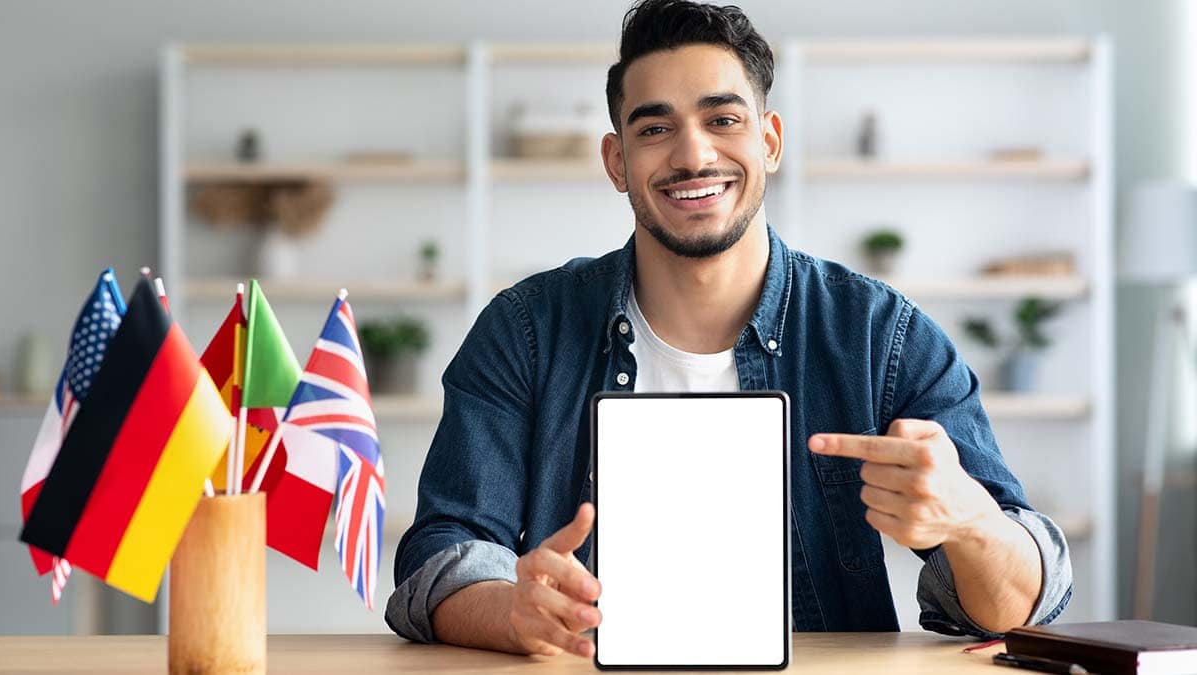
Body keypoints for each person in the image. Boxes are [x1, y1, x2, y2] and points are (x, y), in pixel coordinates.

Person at [385, 0, 1072, 657]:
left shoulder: (879, 335)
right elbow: (442, 554)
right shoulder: (525, 329)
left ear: (768, 141)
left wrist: (972, 522)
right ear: (617, 161)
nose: (692, 156)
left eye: (722, 120)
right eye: (655, 128)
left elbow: (1020, 603)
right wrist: (512, 610)